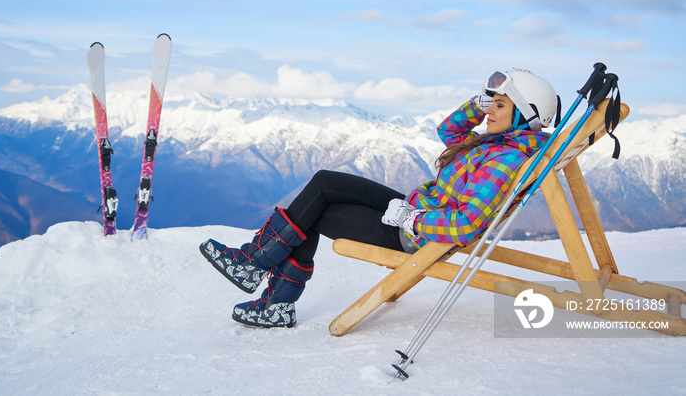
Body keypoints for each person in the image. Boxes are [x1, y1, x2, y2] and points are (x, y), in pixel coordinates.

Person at [199, 68, 559, 328]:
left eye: (500, 106)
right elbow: (448, 130)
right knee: (323, 182)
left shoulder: (505, 157)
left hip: (415, 233)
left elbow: (467, 224)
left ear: (524, 116)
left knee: (315, 213)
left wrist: (412, 220)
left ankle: (271, 293)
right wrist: (479, 103)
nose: (489, 112)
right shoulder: (496, 142)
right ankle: (256, 266)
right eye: (490, 104)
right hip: (412, 210)